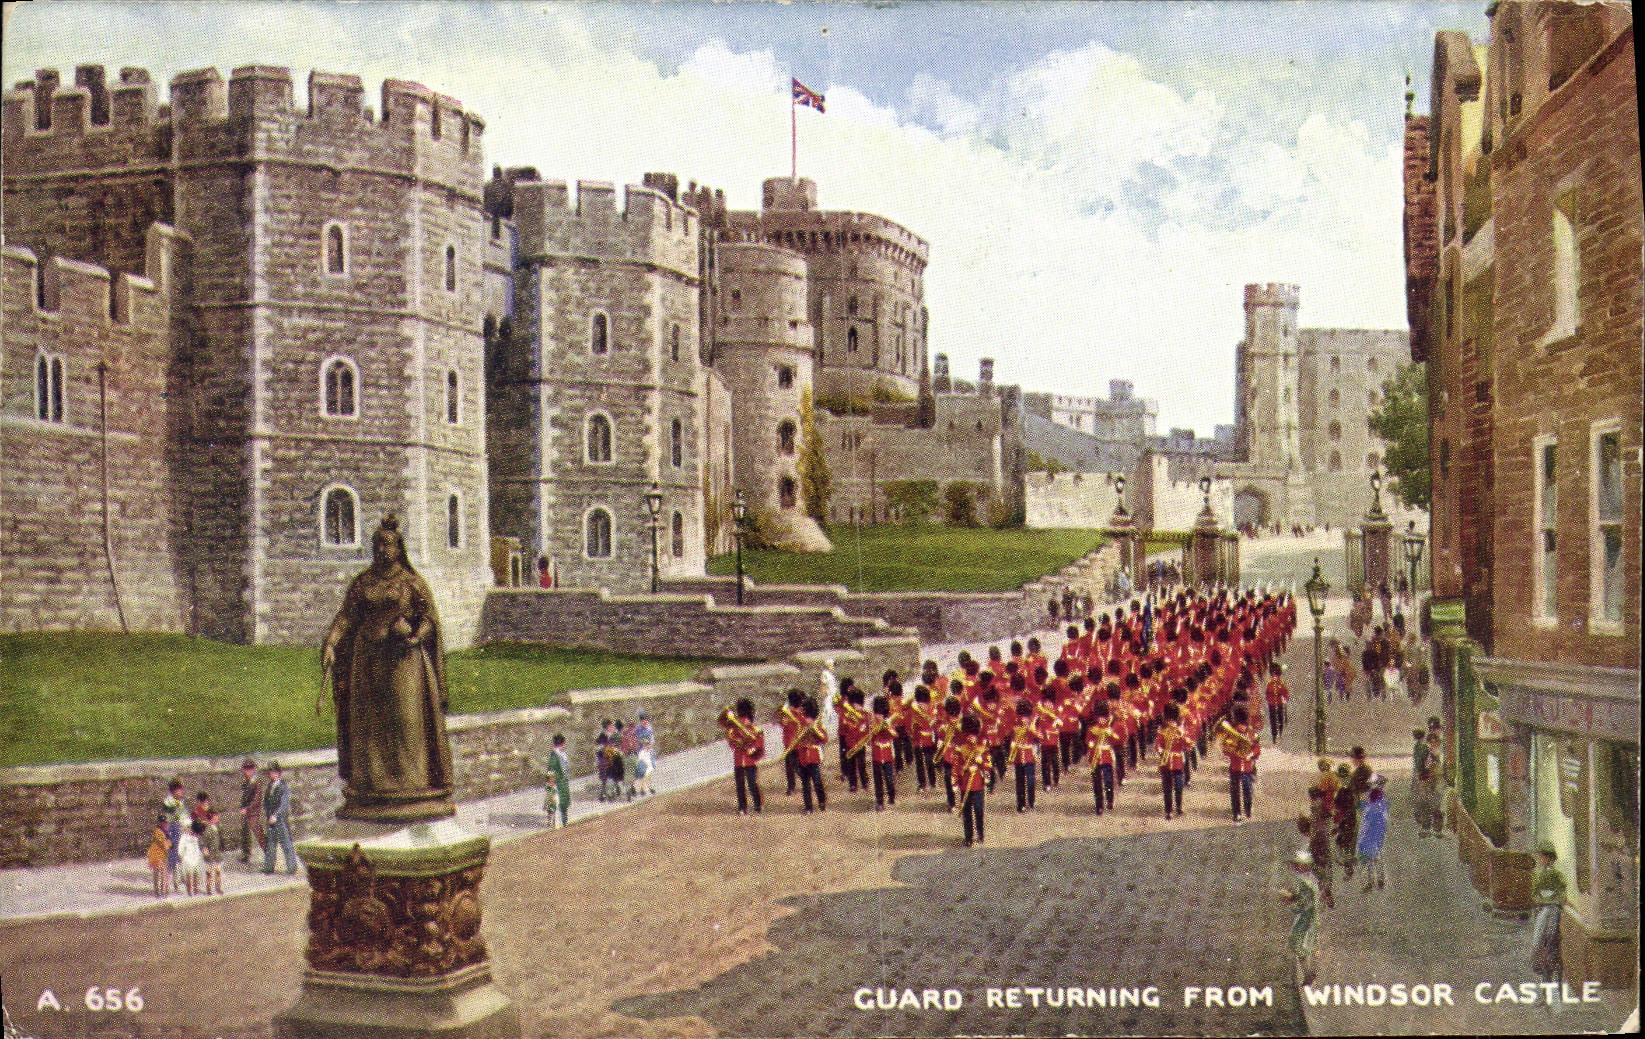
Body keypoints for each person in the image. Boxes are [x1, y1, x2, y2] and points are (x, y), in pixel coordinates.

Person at [321, 514, 456, 822]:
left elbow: (429, 619)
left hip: (404, 663)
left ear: (399, 548)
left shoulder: (411, 582)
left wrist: (414, 636)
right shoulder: (363, 583)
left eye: (387, 544)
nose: (381, 550)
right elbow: (346, 617)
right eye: (377, 544)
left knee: (407, 722)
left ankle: (412, 784)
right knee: (370, 724)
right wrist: (330, 643)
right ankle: (373, 785)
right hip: (368, 662)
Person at [1279, 850, 1322, 986]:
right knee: (1311, 944)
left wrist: (1289, 899)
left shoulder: (1302, 881)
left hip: (1305, 917)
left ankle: (1308, 975)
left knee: (1299, 946)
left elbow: (1302, 903)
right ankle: (1312, 972)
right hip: (1313, 916)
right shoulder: (1312, 878)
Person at [1530, 842, 1567, 983]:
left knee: (1551, 939)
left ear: (1550, 858)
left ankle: (1549, 972)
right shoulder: (1538, 874)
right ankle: (1538, 964)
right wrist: (1540, 900)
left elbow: (1562, 893)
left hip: (1554, 910)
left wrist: (1553, 900)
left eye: (1544, 857)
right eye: (1541, 857)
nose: (1542, 860)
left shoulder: (1558, 874)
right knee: (1538, 940)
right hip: (1543, 910)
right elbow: (1534, 893)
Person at [721, 699, 765, 815]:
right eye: (742, 718)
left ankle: (758, 803)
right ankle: (742, 807)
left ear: (750, 718)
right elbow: (731, 744)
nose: (744, 720)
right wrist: (734, 739)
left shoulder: (755, 730)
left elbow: (759, 742)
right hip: (739, 761)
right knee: (740, 786)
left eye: (746, 718)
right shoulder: (735, 730)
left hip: (750, 761)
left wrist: (753, 748)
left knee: (752, 784)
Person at [955, 715, 989, 847]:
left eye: (973, 735)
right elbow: (956, 765)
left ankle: (980, 834)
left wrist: (982, 763)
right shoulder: (961, 748)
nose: (971, 737)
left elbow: (988, 763)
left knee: (979, 810)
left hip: (978, 783)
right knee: (967, 811)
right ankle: (968, 837)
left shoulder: (981, 748)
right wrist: (956, 781)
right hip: (965, 783)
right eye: (969, 735)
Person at [1221, 707, 1260, 823]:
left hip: (1247, 768)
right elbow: (1225, 750)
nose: (1242, 727)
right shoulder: (1232, 734)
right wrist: (1232, 749)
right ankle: (1236, 813)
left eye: (1243, 724)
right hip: (1235, 767)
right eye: (1240, 724)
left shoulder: (1250, 734)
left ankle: (1247, 809)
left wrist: (1251, 755)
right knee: (1235, 791)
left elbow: (1257, 749)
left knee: (1247, 789)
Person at [792, 697, 828, 814]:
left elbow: (824, 738)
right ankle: (808, 807)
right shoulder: (800, 724)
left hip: (813, 756)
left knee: (817, 781)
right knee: (805, 784)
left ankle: (821, 801)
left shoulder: (817, 724)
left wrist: (815, 730)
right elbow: (795, 740)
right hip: (802, 756)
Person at [263, 762, 298, 875]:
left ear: (278, 773)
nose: (271, 774)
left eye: (273, 772)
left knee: (285, 843)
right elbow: (266, 802)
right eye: (270, 772)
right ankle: (269, 867)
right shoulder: (269, 786)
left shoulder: (283, 787)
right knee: (271, 844)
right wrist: (268, 814)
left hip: (280, 820)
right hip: (270, 819)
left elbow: (284, 804)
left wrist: (276, 815)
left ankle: (292, 867)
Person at [1155, 704, 1189, 820]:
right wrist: (1162, 752)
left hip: (1178, 762)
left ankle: (1179, 806)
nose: (1171, 723)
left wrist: (1182, 735)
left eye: (1173, 720)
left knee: (1179, 786)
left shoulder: (1180, 732)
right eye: (1169, 720)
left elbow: (1187, 745)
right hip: (1166, 763)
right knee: (1167, 788)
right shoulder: (1162, 732)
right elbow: (1158, 745)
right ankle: (1168, 810)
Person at [867, 694, 898, 810]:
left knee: (889, 778)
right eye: (877, 713)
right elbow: (869, 741)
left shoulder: (888, 722)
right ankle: (880, 802)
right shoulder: (872, 723)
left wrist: (887, 728)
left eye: (880, 714)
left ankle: (891, 794)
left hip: (887, 754)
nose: (878, 716)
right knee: (878, 780)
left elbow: (895, 735)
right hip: (876, 755)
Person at [1008, 699, 1039, 813]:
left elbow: (1040, 738)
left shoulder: (1032, 727)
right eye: (1022, 717)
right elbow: (1011, 740)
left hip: (1029, 756)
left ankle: (1031, 801)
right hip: (1018, 757)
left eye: (1026, 717)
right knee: (1020, 782)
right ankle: (1021, 804)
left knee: (1031, 781)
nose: (1024, 719)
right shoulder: (1015, 728)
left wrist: (1033, 731)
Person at [1358, 784, 1389, 892]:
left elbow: (1364, 815)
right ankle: (1380, 880)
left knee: (1370, 861)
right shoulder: (1382, 807)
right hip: (1377, 837)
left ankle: (1371, 882)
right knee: (1377, 859)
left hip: (1369, 837)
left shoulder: (1370, 809)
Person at [161, 778, 188, 893]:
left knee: (183, 851)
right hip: (172, 828)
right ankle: (176, 878)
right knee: (174, 852)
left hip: (179, 828)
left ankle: (182, 874)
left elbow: (183, 814)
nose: (181, 792)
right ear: (174, 790)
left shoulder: (179, 801)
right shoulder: (168, 801)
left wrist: (187, 824)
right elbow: (171, 816)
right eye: (179, 790)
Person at [238, 758, 265, 865]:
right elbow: (244, 797)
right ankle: (246, 854)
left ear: (254, 769)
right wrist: (242, 807)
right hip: (245, 812)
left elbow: (257, 799)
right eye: (246, 769)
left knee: (258, 833)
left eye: (250, 769)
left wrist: (247, 808)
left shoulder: (256, 782)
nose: (248, 771)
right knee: (245, 833)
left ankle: (269, 854)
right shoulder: (246, 781)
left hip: (253, 812)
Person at [543, 734, 571, 828]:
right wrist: (552, 782)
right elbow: (551, 771)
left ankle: (562, 820)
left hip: (562, 781)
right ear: (562, 744)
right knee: (554, 801)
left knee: (562, 801)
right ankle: (557, 821)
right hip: (557, 781)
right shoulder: (554, 756)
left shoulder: (560, 754)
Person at [178, 819, 205, 896]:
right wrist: (181, 855)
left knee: (196, 873)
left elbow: (200, 845)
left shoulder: (197, 836)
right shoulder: (184, 837)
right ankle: (189, 890)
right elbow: (181, 847)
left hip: (196, 856)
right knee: (189, 874)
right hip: (188, 857)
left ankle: (196, 889)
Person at [147, 812, 171, 897]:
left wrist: (168, 843)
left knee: (163, 873)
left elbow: (168, 844)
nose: (166, 824)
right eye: (164, 823)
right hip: (157, 856)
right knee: (159, 874)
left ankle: (163, 890)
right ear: (159, 823)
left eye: (167, 823)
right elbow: (165, 845)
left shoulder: (165, 832)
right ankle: (159, 891)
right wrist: (169, 843)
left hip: (163, 856)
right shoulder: (158, 832)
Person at [1264, 663, 1289, 742]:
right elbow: (1267, 693)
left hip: (1279, 703)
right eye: (1273, 675)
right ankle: (1274, 735)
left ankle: (1280, 733)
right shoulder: (1269, 683)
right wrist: (1268, 700)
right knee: (1273, 721)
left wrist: (1285, 699)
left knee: (1280, 719)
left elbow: (1285, 692)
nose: (1274, 677)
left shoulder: (1281, 683)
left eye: (1275, 675)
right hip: (1271, 704)